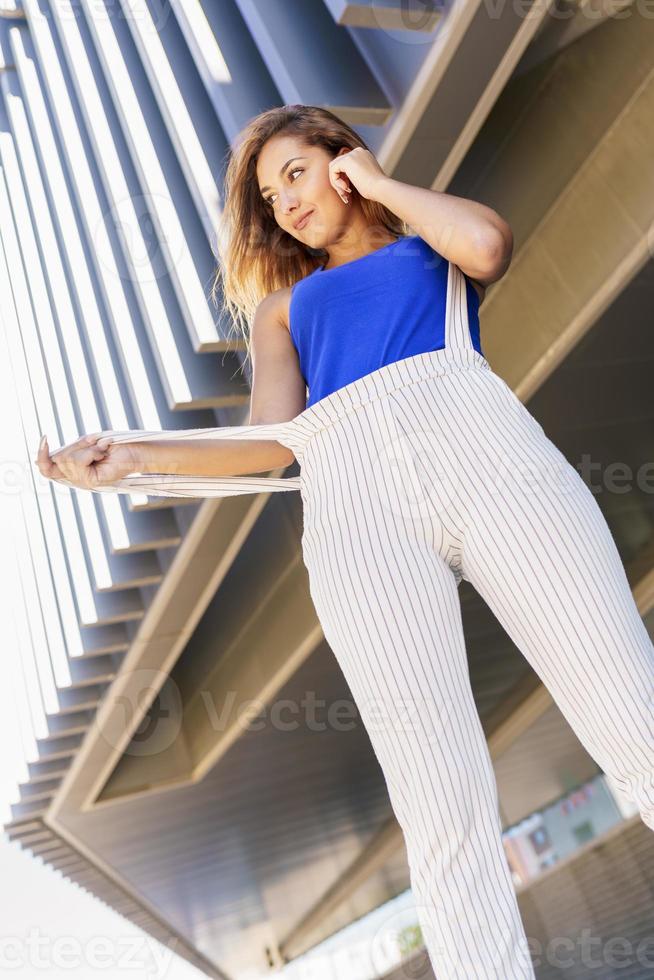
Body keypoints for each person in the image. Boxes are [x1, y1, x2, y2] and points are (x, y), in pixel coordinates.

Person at [35, 105, 654, 979]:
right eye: (267, 193)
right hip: (354, 502)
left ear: (342, 161)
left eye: (296, 173)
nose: (284, 202)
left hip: (483, 449)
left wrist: (377, 184)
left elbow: (487, 244)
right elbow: (264, 443)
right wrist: (128, 456)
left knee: (631, 704)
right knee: (436, 797)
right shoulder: (284, 309)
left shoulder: (425, 246)